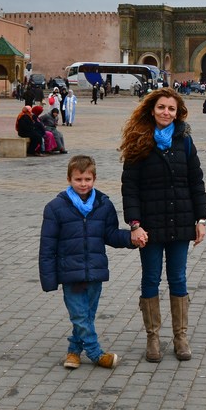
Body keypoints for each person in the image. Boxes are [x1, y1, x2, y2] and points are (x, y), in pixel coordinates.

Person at [120, 88, 206, 362]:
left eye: (171, 109)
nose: (166, 113)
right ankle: (153, 338)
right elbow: (130, 187)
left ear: (177, 112)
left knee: (178, 278)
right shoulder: (139, 140)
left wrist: (201, 219)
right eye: (161, 107)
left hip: (181, 221)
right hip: (149, 224)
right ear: (152, 109)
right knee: (150, 278)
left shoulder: (184, 141)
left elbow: (196, 180)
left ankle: (180, 337)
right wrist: (134, 224)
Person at [39, 154, 142, 370]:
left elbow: (110, 235)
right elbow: (47, 247)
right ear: (69, 179)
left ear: (94, 179)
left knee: (86, 316)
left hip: (95, 271)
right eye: (78, 179)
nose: (83, 184)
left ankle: (74, 351)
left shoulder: (103, 205)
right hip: (71, 273)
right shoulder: (55, 208)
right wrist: (49, 279)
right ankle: (96, 354)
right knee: (79, 315)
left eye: (87, 179)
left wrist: (131, 239)